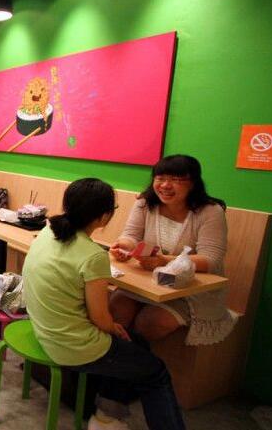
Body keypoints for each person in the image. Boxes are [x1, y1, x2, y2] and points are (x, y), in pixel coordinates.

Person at [23, 178, 186, 430]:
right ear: (104, 217)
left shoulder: (48, 231)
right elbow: (100, 318)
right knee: (156, 372)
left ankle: (107, 416)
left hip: (44, 329)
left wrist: (113, 328)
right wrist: (113, 328)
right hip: (71, 346)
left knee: (137, 344)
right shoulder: (93, 256)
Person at [109, 155, 233, 344]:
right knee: (116, 308)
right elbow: (131, 236)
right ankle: (117, 358)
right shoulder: (145, 203)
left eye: (176, 180)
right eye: (160, 178)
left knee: (150, 322)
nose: (165, 185)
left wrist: (164, 261)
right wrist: (123, 246)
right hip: (148, 281)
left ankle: (134, 358)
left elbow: (211, 260)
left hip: (189, 290)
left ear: (193, 183)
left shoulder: (210, 211)